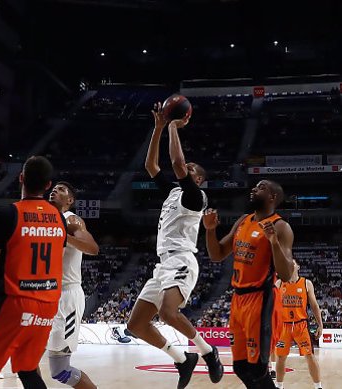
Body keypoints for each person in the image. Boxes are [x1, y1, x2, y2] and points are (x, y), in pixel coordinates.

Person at [127, 103, 223, 389]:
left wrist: (172, 126)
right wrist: (157, 128)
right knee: (136, 325)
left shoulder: (196, 197)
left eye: (192, 170)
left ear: (199, 180)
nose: (186, 169)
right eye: (187, 168)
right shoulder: (172, 192)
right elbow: (151, 166)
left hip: (182, 259)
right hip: (163, 264)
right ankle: (182, 359)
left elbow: (178, 164)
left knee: (168, 314)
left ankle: (207, 351)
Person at [0, 156, 67, 389]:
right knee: (28, 370)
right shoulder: (60, 219)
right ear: (47, 185)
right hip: (47, 305)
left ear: (21, 178)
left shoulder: (5, 215)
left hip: (14, 303)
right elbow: (57, 263)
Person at [203, 179, 295, 389]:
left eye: (261, 187)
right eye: (255, 186)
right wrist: (210, 230)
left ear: (273, 197)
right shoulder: (244, 220)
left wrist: (273, 242)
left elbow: (287, 274)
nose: (254, 189)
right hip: (238, 299)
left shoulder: (281, 226)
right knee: (241, 367)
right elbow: (217, 254)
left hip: (261, 300)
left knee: (258, 368)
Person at [46, 181, 100, 389]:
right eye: (53, 188)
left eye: (61, 190)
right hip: (47, 295)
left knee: (60, 370)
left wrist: (63, 237)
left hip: (66, 297)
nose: (54, 191)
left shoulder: (72, 219)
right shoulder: (45, 220)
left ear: (70, 200)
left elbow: (92, 248)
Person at [274, 261, 323, 389]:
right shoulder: (279, 283)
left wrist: (320, 324)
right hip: (283, 326)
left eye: (293, 263)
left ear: (298, 267)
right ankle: (279, 386)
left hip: (301, 326)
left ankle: (318, 387)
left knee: (310, 356)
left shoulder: (306, 283)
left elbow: (314, 306)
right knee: (280, 356)